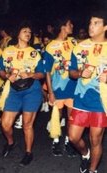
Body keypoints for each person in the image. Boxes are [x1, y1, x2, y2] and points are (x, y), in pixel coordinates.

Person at [0, 21, 45, 166]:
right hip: (14, 91)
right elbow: (0, 69)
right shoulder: (7, 51)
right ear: (18, 33)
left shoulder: (34, 52)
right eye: (25, 31)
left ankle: (28, 152)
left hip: (32, 91)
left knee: (27, 125)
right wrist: (7, 76)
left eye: (30, 32)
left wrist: (31, 74)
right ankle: (10, 143)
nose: (28, 34)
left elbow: (41, 74)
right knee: (5, 124)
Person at [68, 10, 107, 173]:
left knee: (95, 139)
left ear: (105, 27)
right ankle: (85, 154)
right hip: (81, 99)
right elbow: (71, 72)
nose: (91, 26)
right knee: (73, 137)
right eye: (90, 23)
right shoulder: (79, 47)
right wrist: (79, 73)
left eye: (96, 23)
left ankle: (92, 170)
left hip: (101, 101)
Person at [43, 17, 78, 157]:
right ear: (63, 26)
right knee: (57, 115)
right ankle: (56, 140)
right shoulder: (50, 46)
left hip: (73, 86)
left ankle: (68, 142)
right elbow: (47, 72)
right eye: (70, 24)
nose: (72, 26)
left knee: (71, 117)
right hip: (57, 87)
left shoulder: (74, 42)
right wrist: (50, 92)